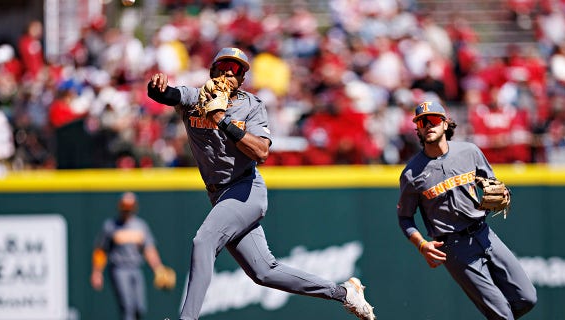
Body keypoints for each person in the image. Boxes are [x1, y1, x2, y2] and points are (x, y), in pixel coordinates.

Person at [147, 47, 376, 320]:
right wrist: (156, 86)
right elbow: (165, 94)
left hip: (246, 189)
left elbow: (261, 152)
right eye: (223, 67)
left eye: (236, 70)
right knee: (264, 271)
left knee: (203, 240)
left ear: (242, 78)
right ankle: (343, 293)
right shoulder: (195, 97)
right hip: (220, 195)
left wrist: (222, 120)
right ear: (212, 71)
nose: (228, 74)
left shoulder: (252, 106)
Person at [396, 101, 537, 319]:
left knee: (527, 298)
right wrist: (421, 244)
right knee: (502, 315)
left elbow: (491, 183)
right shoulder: (411, 174)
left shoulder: (469, 152)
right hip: (454, 246)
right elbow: (405, 217)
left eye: (432, 120)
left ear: (445, 123)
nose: (427, 125)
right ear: (417, 129)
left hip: (484, 233)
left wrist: (503, 194)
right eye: (422, 122)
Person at [90, 191, 174, 320]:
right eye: (125, 208)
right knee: (127, 307)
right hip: (119, 268)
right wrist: (97, 272)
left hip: (136, 268)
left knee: (140, 307)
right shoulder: (111, 226)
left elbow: (149, 249)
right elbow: (101, 250)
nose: (127, 211)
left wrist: (158, 267)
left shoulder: (140, 226)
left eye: (129, 208)